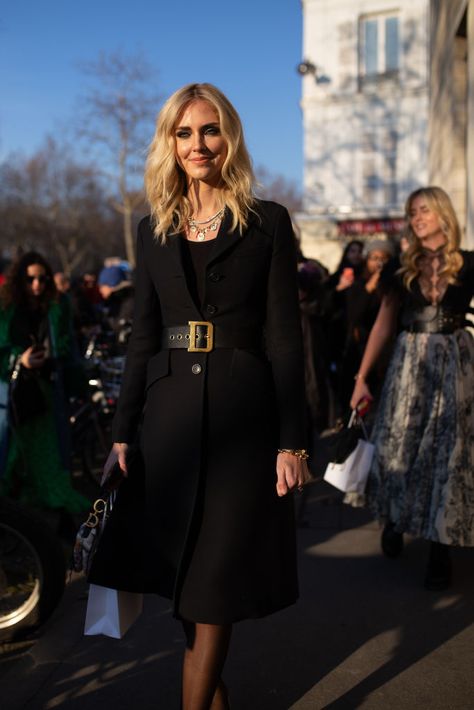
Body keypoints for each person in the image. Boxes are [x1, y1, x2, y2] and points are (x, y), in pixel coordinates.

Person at [97, 83, 311, 709]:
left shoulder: (267, 221)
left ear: (230, 138)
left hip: (243, 423)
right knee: (188, 596)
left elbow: (285, 338)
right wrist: (119, 432)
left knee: (215, 587)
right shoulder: (152, 229)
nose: (198, 144)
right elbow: (140, 338)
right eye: (184, 133)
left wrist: (292, 439)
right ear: (170, 142)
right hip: (167, 426)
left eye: (210, 130)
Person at [350, 186, 474, 590]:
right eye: (412, 212)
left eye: (424, 210)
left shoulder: (468, 264)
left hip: (455, 362)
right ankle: (394, 517)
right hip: (409, 363)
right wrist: (362, 378)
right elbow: (384, 324)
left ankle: (439, 548)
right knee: (399, 444)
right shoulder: (401, 269)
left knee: (447, 455)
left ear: (442, 213)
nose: (417, 218)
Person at [0, 251, 90, 517]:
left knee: (48, 448)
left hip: (48, 387)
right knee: (12, 447)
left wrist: (76, 385)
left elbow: (67, 348)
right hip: (13, 389)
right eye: (30, 280)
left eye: (41, 278)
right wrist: (19, 357)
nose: (36, 285)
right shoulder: (7, 307)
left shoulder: (56, 305)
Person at [338, 240, 394, 410]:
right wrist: (370, 286)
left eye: (383, 258)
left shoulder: (392, 286)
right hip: (360, 349)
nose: (378, 263)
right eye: (374, 258)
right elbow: (354, 315)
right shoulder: (358, 285)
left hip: (386, 352)